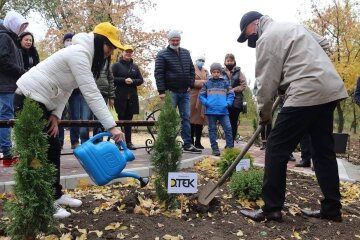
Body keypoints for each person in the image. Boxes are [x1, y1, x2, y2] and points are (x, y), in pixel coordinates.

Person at [237, 11, 348, 222]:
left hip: (306, 91)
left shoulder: (266, 39)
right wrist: (296, 71)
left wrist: (265, 115)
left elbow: (265, 85)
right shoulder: (294, 27)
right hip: (329, 88)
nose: (249, 39)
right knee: (323, 150)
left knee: (276, 146)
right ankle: (332, 209)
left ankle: (271, 208)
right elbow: (323, 43)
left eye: (247, 33)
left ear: (255, 23)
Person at [13, 22, 125, 219]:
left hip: (43, 102)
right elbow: (91, 92)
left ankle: (55, 195)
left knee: (54, 147)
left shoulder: (85, 56)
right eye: (110, 47)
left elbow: (66, 89)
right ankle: (43, 202)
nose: (110, 52)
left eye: (114, 48)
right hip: (29, 98)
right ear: (100, 42)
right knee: (39, 152)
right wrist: (112, 126)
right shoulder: (79, 54)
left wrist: (56, 115)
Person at [155, 30, 201, 153]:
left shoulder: (186, 53)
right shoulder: (162, 54)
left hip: (185, 92)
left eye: (177, 40)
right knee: (169, 118)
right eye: (173, 40)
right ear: (168, 40)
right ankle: (168, 144)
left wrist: (190, 84)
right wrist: (161, 91)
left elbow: (192, 70)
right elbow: (159, 73)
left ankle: (187, 144)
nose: (175, 42)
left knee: (186, 118)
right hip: (170, 92)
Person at [0, 11, 28, 166]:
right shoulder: (4, 37)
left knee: (7, 116)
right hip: (6, 84)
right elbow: (3, 60)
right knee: (6, 117)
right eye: (20, 25)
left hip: (10, 83)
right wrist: (21, 71)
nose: (21, 29)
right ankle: (7, 153)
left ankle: (7, 151)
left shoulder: (9, 37)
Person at [199, 63, 234, 156]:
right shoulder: (207, 83)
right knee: (212, 130)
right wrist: (207, 103)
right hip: (211, 111)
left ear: (220, 72)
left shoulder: (225, 82)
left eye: (218, 72)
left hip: (223, 111)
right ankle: (215, 149)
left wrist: (228, 103)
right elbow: (201, 95)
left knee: (228, 128)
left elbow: (231, 93)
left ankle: (230, 148)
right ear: (211, 72)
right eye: (214, 72)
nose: (216, 74)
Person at [112, 45, 143, 149]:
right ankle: (119, 142)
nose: (128, 53)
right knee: (120, 120)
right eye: (126, 51)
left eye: (130, 52)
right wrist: (123, 80)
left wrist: (133, 81)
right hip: (120, 97)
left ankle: (129, 142)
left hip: (132, 98)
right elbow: (111, 79)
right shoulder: (116, 65)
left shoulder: (135, 67)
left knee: (129, 121)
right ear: (122, 52)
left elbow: (140, 80)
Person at [222, 53, 247, 145]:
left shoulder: (239, 72)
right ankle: (227, 141)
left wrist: (233, 89)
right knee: (225, 122)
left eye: (231, 61)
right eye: (228, 61)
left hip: (236, 100)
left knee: (233, 122)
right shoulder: (221, 72)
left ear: (234, 62)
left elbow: (243, 85)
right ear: (225, 62)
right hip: (224, 100)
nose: (229, 62)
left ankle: (231, 143)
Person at [190, 55, 209, 149]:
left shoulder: (206, 71)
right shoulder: (191, 68)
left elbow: (209, 82)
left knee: (200, 120)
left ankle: (198, 142)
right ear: (196, 60)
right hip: (192, 96)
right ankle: (190, 141)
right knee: (191, 120)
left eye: (203, 60)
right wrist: (203, 82)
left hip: (202, 96)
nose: (201, 61)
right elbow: (191, 82)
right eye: (200, 60)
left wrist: (202, 82)